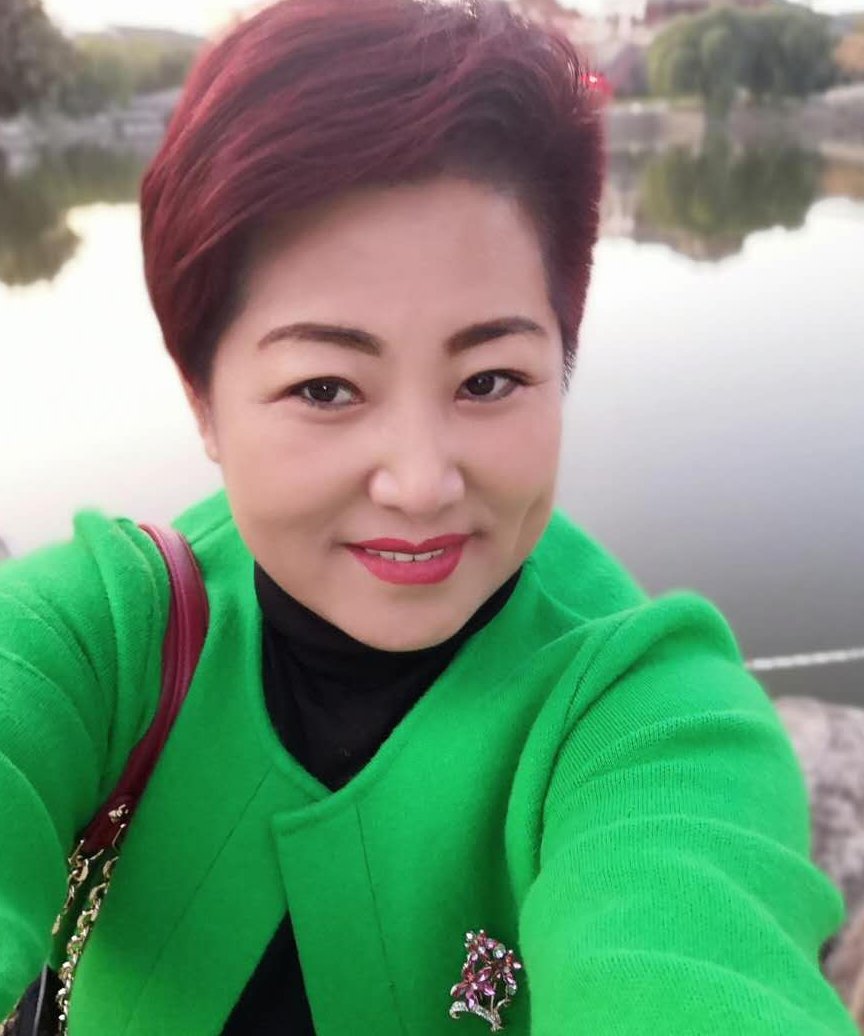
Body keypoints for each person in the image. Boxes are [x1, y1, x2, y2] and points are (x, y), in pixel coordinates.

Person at [0, 1, 857, 1033]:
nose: (420, 483)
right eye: (325, 388)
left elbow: (693, 952)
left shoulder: (645, 713)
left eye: (489, 379)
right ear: (203, 401)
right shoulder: (99, 641)